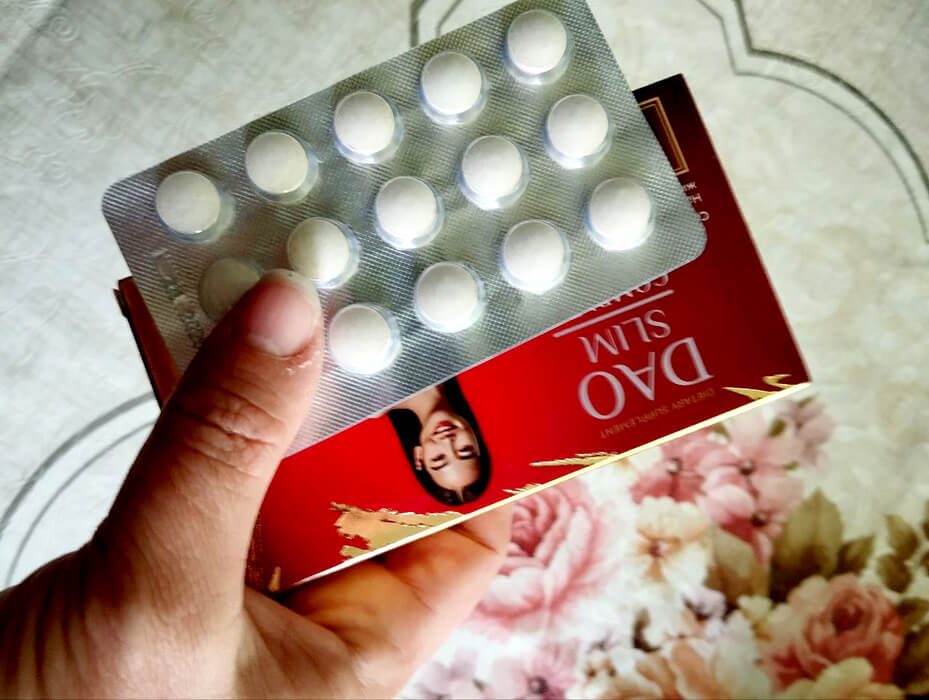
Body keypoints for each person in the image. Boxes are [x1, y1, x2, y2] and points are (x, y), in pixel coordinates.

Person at [0, 270, 511, 698]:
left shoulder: (354, 424)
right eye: (465, 452)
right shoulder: (470, 359)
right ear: (474, 435)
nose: (448, 445)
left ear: (420, 460)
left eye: (441, 461)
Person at [388, 378, 491, 506]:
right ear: (476, 438)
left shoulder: (376, 396)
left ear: (419, 456)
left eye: (438, 458)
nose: (447, 441)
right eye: (464, 450)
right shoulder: (458, 369)